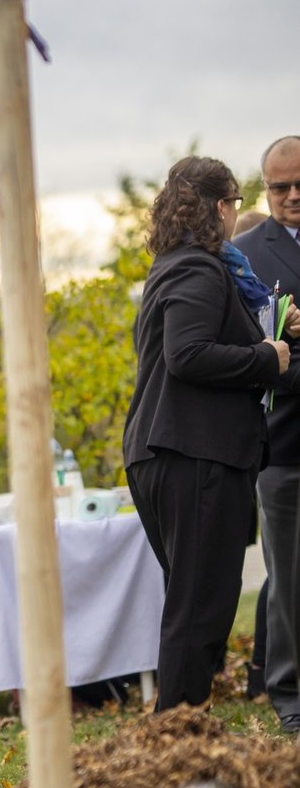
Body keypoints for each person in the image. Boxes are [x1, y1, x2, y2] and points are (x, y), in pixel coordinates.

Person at [123, 156, 298, 711]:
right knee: (199, 612)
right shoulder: (197, 268)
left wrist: (272, 329)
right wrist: (266, 356)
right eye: (234, 204)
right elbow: (188, 355)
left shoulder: (180, 264)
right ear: (222, 207)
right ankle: (176, 747)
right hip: (192, 455)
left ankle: (183, 739)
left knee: (199, 606)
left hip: (177, 453)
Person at [234, 136, 300, 731]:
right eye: (280, 187)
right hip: (284, 440)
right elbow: (246, 349)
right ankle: (288, 695)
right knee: (288, 575)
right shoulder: (246, 253)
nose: (293, 196)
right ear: (265, 188)